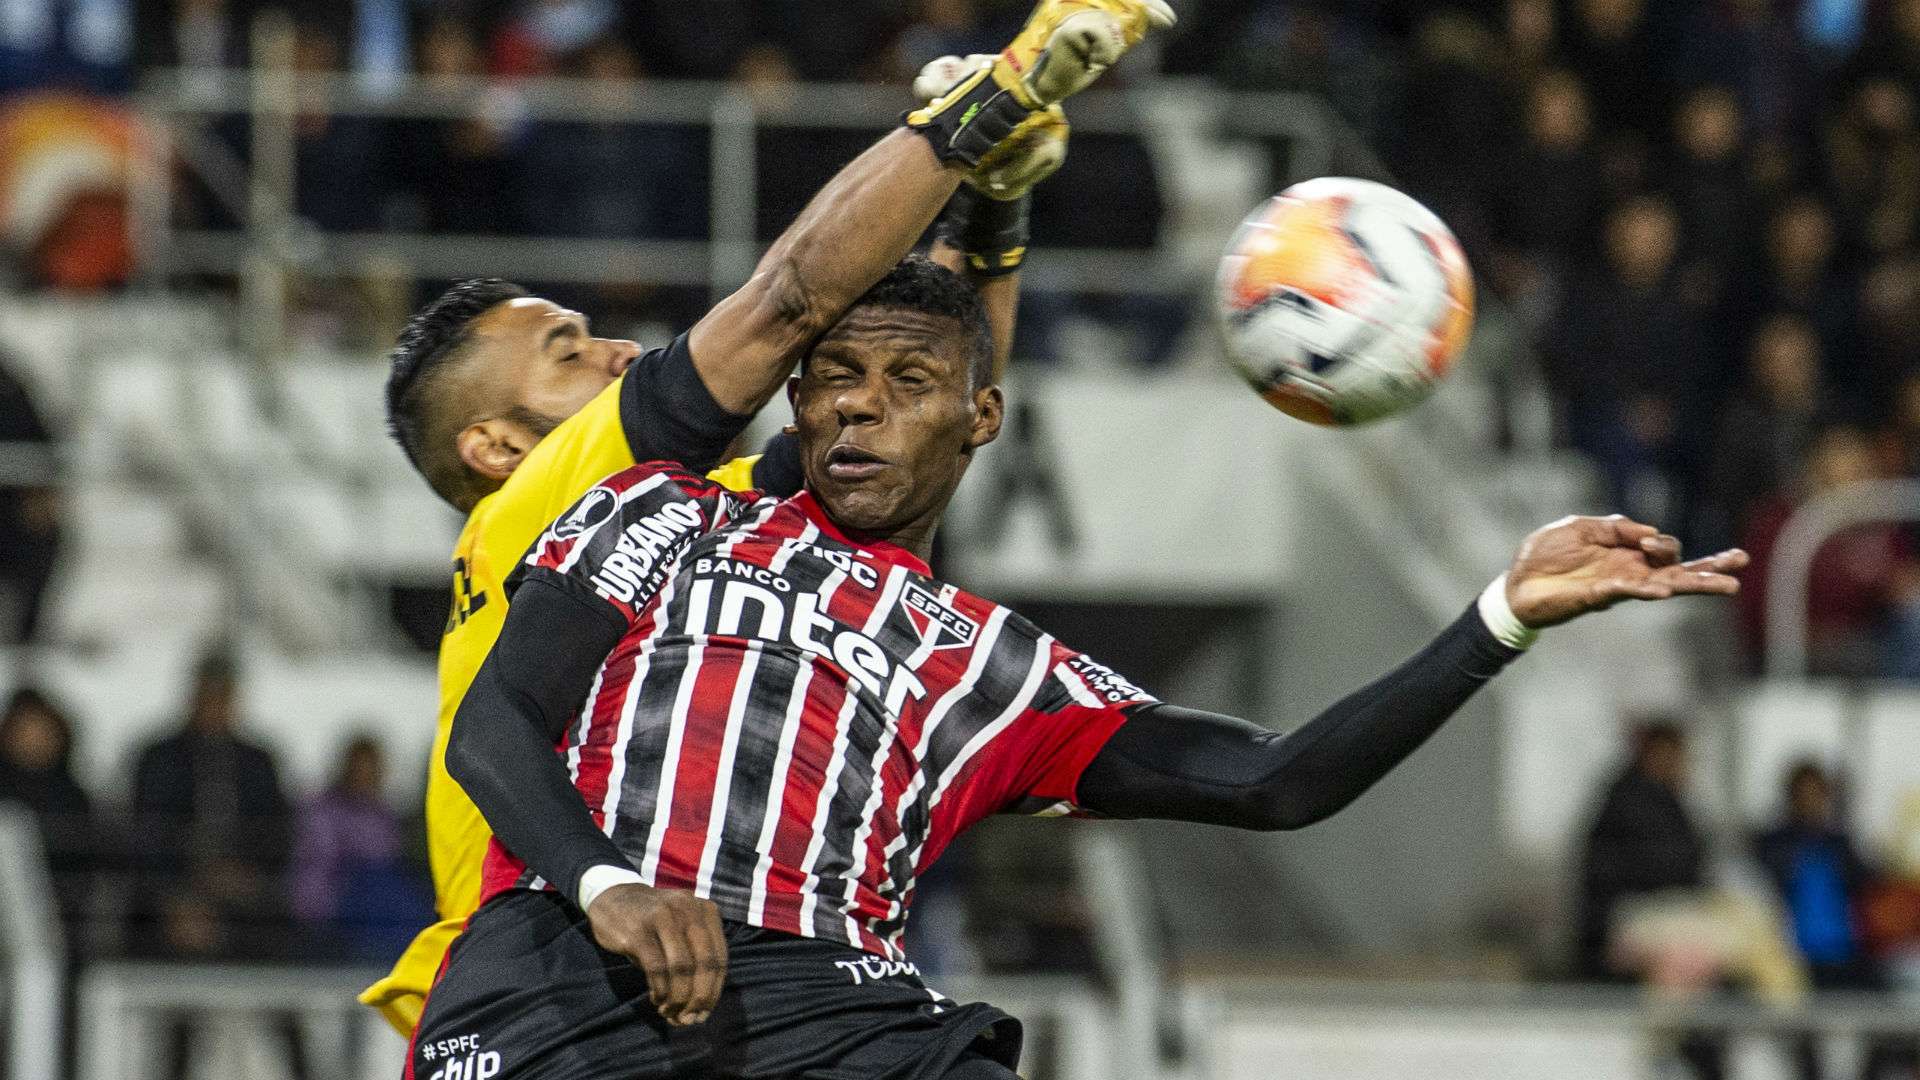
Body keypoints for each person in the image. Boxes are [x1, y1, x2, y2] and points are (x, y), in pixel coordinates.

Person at [417, 254, 1747, 1079]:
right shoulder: (670, 515)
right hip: (571, 969)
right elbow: (493, 724)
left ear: (979, 417)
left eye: (908, 380)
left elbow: (1276, 780)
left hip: (832, 1008)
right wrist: (608, 884)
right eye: (833, 377)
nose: (860, 402)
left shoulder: (997, 672)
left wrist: (1501, 614)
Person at [364, 0, 1173, 1034]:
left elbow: (925, 405)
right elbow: (789, 301)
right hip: (549, 993)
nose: (619, 353)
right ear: (494, 447)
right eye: (569, 352)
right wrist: (999, 95)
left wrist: (992, 219)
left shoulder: (674, 531)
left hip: (629, 988)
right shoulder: (539, 499)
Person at [291, 733, 432, 962]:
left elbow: (389, 859)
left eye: (371, 769)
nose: (365, 776)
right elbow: (317, 870)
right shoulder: (323, 811)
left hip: (381, 907)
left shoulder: (384, 814)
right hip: (339, 907)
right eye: (360, 768)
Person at [0, 687, 94, 942]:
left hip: (60, 910)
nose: (33, 738)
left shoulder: (73, 795)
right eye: (24, 729)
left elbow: (84, 862)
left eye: (42, 729)